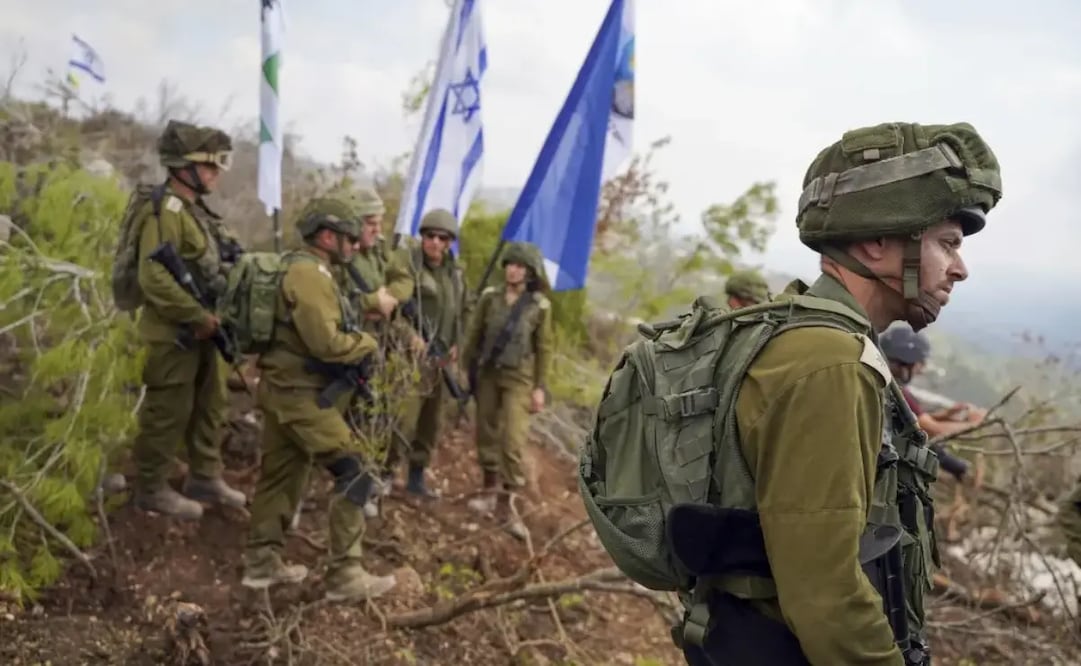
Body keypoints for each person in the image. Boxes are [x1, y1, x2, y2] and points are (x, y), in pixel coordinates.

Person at [589, 121, 1001, 665]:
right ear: (878, 241)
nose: (959, 269)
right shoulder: (831, 364)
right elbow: (826, 595)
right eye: (947, 243)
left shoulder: (801, 334)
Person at [241, 197, 395, 601]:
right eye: (349, 237)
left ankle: (261, 564)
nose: (356, 245)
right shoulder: (309, 275)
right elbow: (326, 344)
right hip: (300, 396)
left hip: (283, 390)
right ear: (327, 237)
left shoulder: (306, 269)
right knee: (356, 470)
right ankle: (345, 575)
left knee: (281, 476)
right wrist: (367, 343)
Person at [129, 120, 246, 519]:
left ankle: (205, 476)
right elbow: (152, 275)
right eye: (208, 165)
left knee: (211, 403)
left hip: (203, 329)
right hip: (172, 333)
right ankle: (150, 488)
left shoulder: (197, 213)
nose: (215, 173)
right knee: (169, 410)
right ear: (183, 166)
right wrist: (195, 315)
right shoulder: (164, 210)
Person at [461, 242, 552, 540]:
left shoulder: (539, 306)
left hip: (519, 378)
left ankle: (506, 505)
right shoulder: (490, 297)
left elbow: (544, 349)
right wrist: (465, 368)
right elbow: (474, 334)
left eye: (520, 266)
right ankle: (489, 490)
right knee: (486, 431)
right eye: (510, 264)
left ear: (529, 272)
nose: (513, 270)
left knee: (513, 439)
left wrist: (539, 388)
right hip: (488, 373)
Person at [388, 208, 466, 499]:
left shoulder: (455, 274)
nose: (435, 242)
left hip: (441, 360)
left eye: (442, 238)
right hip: (410, 360)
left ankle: (416, 477)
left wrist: (457, 343)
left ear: (449, 242)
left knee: (430, 423)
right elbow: (394, 311)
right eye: (430, 236)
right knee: (403, 419)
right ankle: (384, 474)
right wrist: (409, 336)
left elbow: (462, 311)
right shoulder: (408, 266)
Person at [879, 324, 986, 484]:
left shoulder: (883, 382)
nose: (920, 370)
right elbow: (932, 429)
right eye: (919, 363)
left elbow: (916, 420)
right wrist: (974, 424)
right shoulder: (897, 392)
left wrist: (945, 415)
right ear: (906, 361)